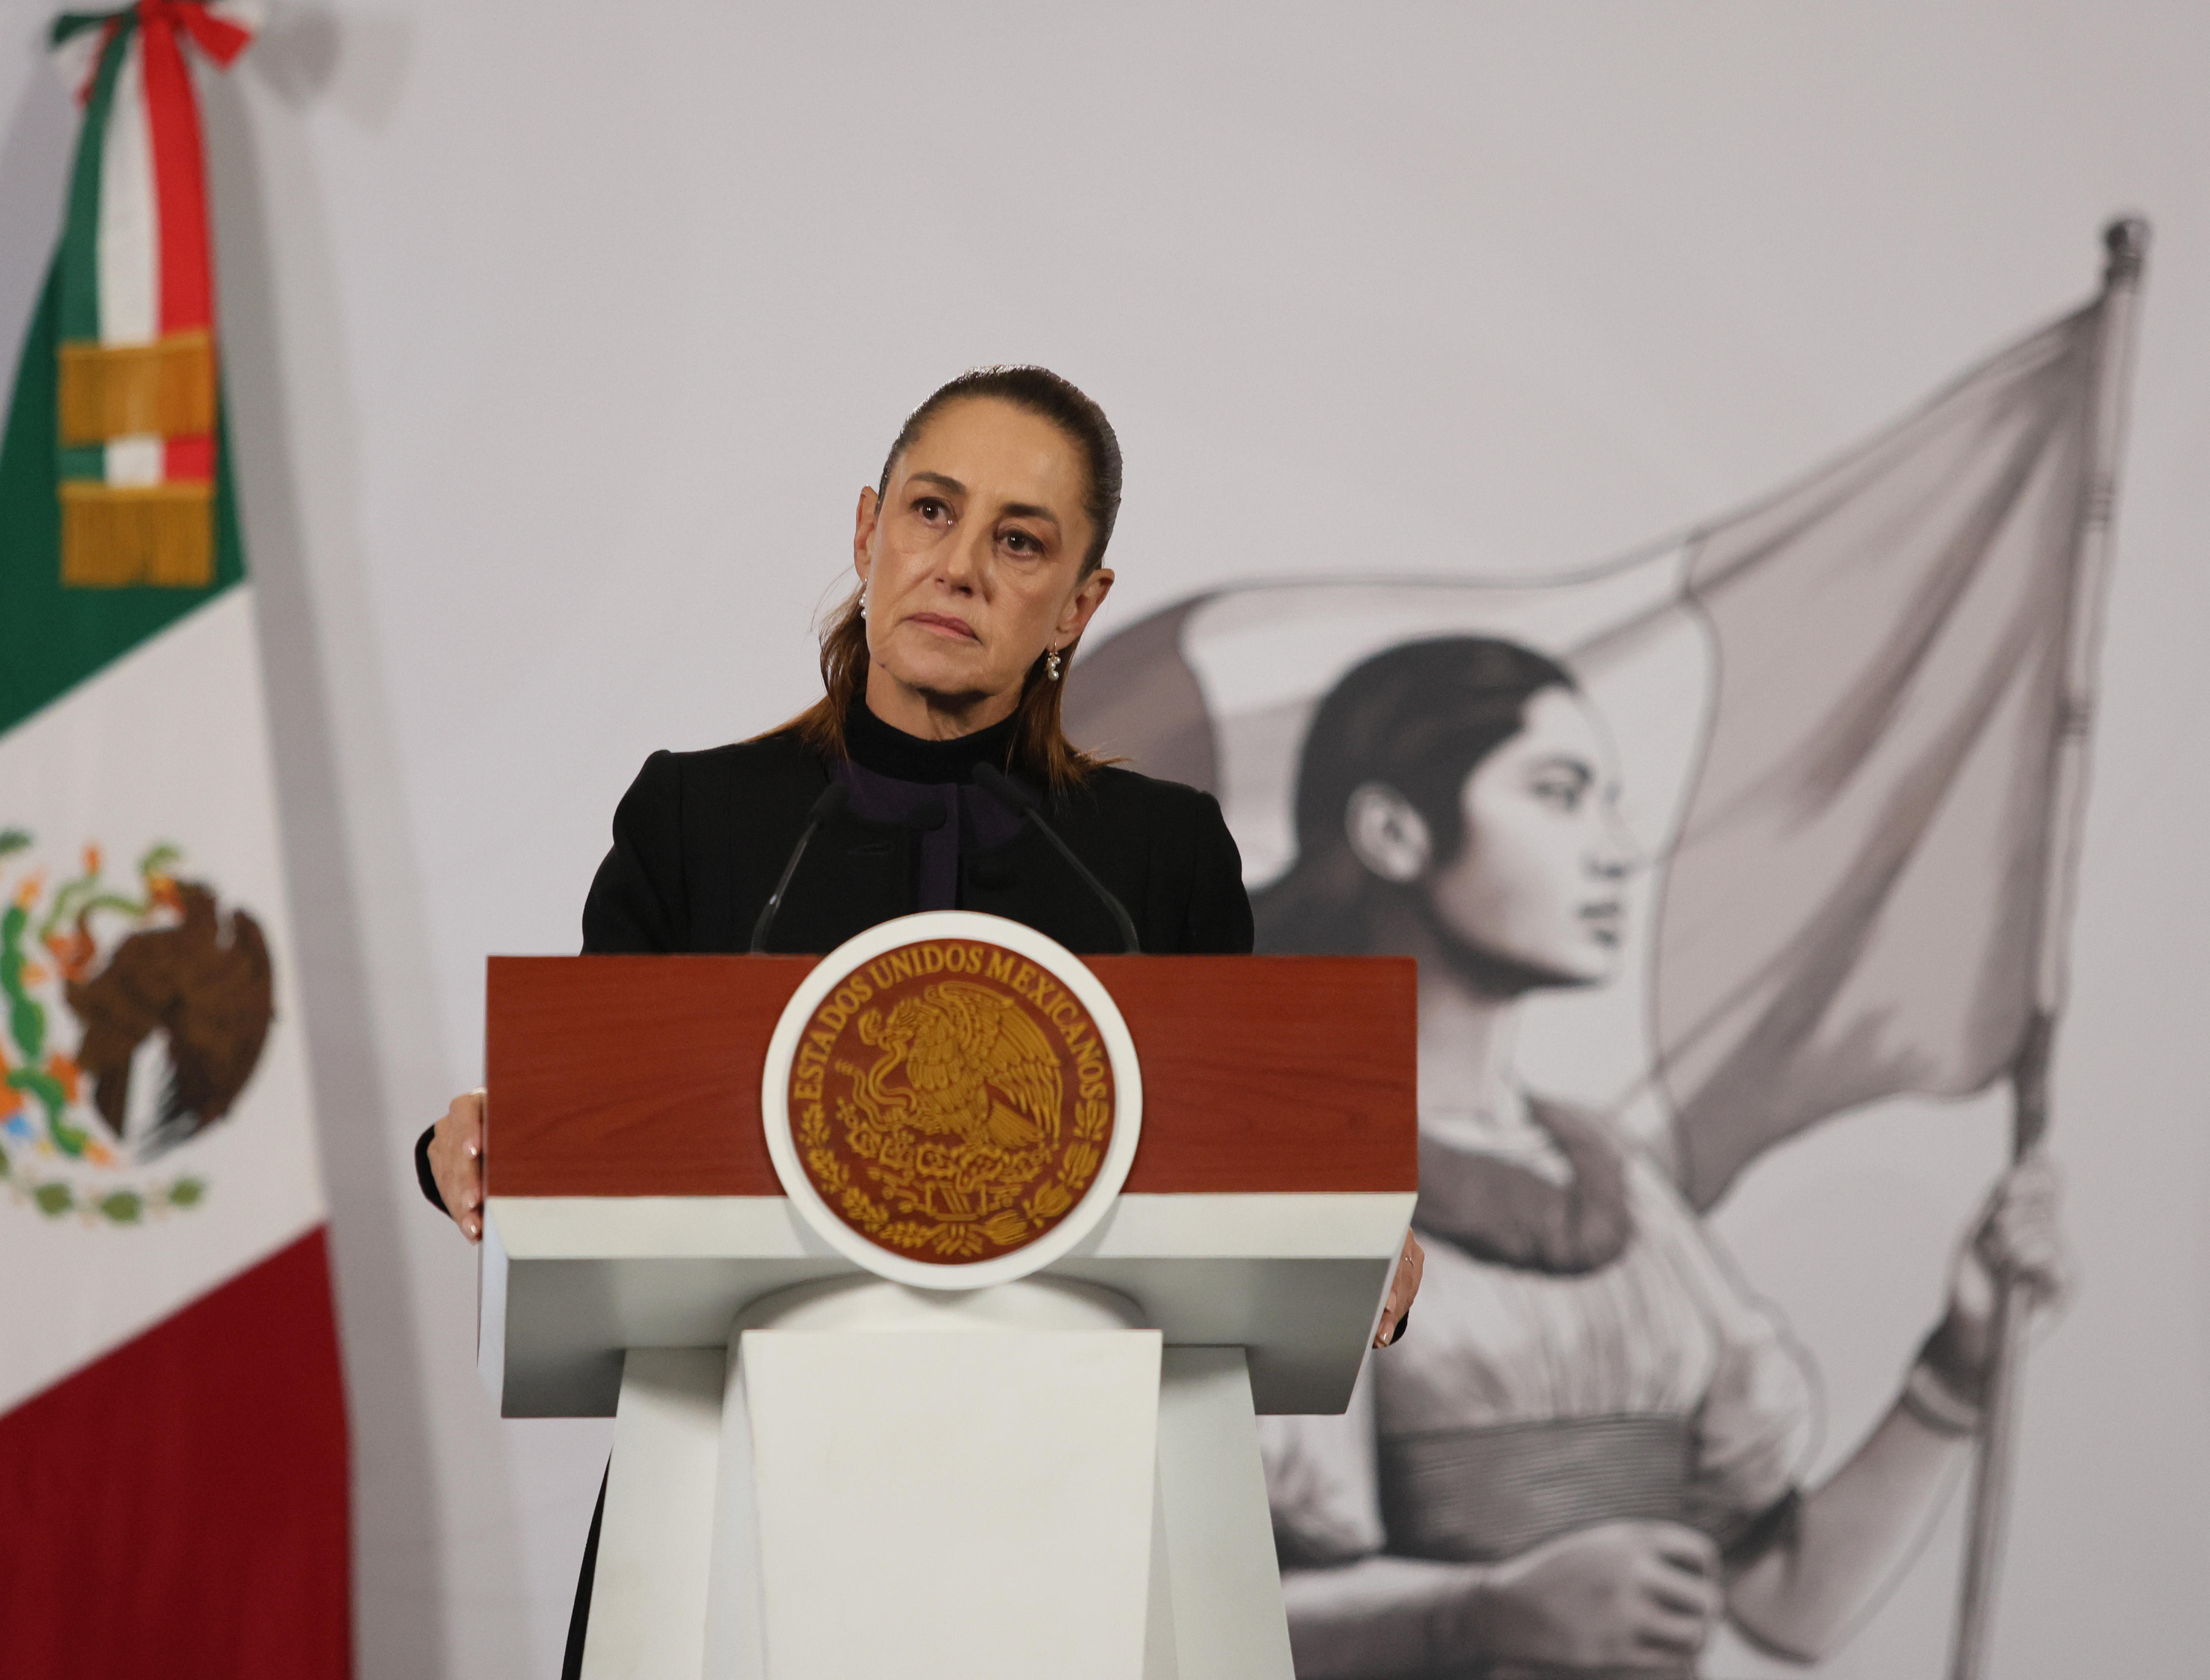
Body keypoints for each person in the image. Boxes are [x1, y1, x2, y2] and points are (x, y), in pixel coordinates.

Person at [409, 366, 1426, 1674]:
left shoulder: (1162, 852)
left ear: (1082, 601)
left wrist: (1355, 1231)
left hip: (1088, 1514)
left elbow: (1239, 1154)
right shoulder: (696, 820)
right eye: (931, 512)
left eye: (1020, 539)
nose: (959, 565)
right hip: (738, 1488)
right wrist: (478, 1150)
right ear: (866, 529)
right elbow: (594, 1133)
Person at [1251, 636, 2068, 1679]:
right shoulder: (1280, 1170)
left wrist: (1958, 1363)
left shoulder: (1618, 1181)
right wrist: (1477, 1614)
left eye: (1608, 799)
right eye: (1558, 793)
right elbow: (1180, 1613)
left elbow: (1785, 1605)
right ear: (1394, 830)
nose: (1613, 847)